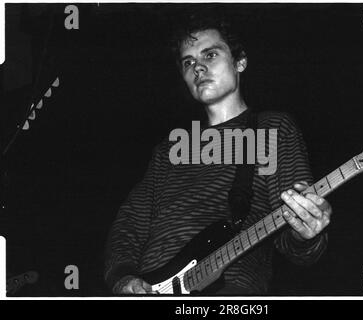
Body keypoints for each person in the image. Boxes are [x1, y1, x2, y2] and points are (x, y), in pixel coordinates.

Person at [104, 12, 332, 295]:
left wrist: (306, 232)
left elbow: (296, 246)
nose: (198, 68)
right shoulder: (170, 148)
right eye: (189, 62)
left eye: (210, 55)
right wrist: (123, 277)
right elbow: (130, 222)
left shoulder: (273, 128)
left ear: (240, 62)